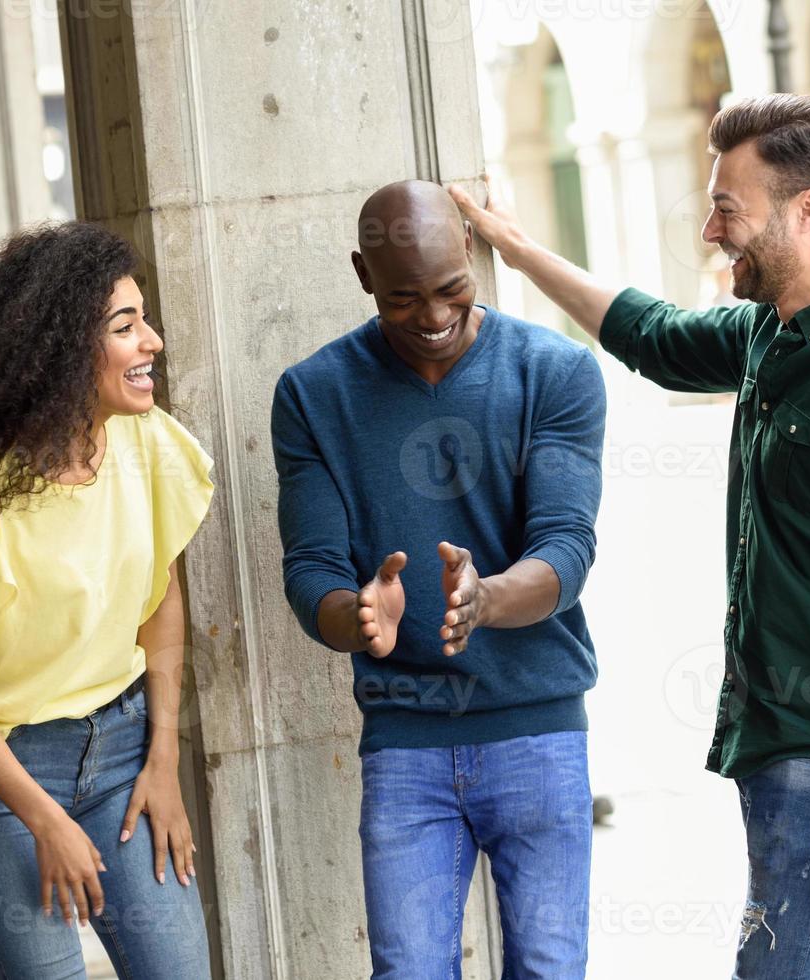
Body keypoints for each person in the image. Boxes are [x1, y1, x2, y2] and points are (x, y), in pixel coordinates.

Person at [449, 93, 810, 979]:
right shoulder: (774, 333)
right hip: (791, 744)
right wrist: (519, 250)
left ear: (808, 211)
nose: (709, 230)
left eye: (728, 208)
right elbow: (649, 333)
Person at [272, 179, 606, 979]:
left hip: (537, 732)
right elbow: (311, 567)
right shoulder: (313, 394)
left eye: (451, 290)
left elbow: (565, 548)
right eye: (402, 298)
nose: (430, 317)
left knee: (549, 969)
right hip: (405, 746)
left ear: (473, 251)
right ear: (362, 274)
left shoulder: (554, 373)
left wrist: (485, 598)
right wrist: (355, 619)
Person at [0, 221, 214, 978]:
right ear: (59, 347)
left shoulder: (150, 447)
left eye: (142, 320)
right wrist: (41, 817)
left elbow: (160, 604)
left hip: (124, 758)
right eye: (125, 326)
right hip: (1, 778)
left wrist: (163, 761)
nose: (152, 343)